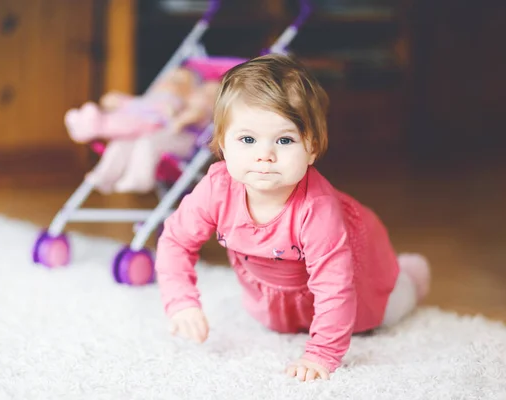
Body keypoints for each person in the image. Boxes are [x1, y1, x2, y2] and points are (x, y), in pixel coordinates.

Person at [154, 54, 431, 382]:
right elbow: (175, 241)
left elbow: (334, 288)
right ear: (222, 146)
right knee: (270, 319)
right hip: (277, 294)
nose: (265, 155)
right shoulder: (216, 188)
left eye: (284, 140)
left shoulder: (317, 209)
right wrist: (182, 302)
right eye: (247, 139)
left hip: (356, 276)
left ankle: (410, 275)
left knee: (388, 310)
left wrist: (322, 355)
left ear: (312, 148)